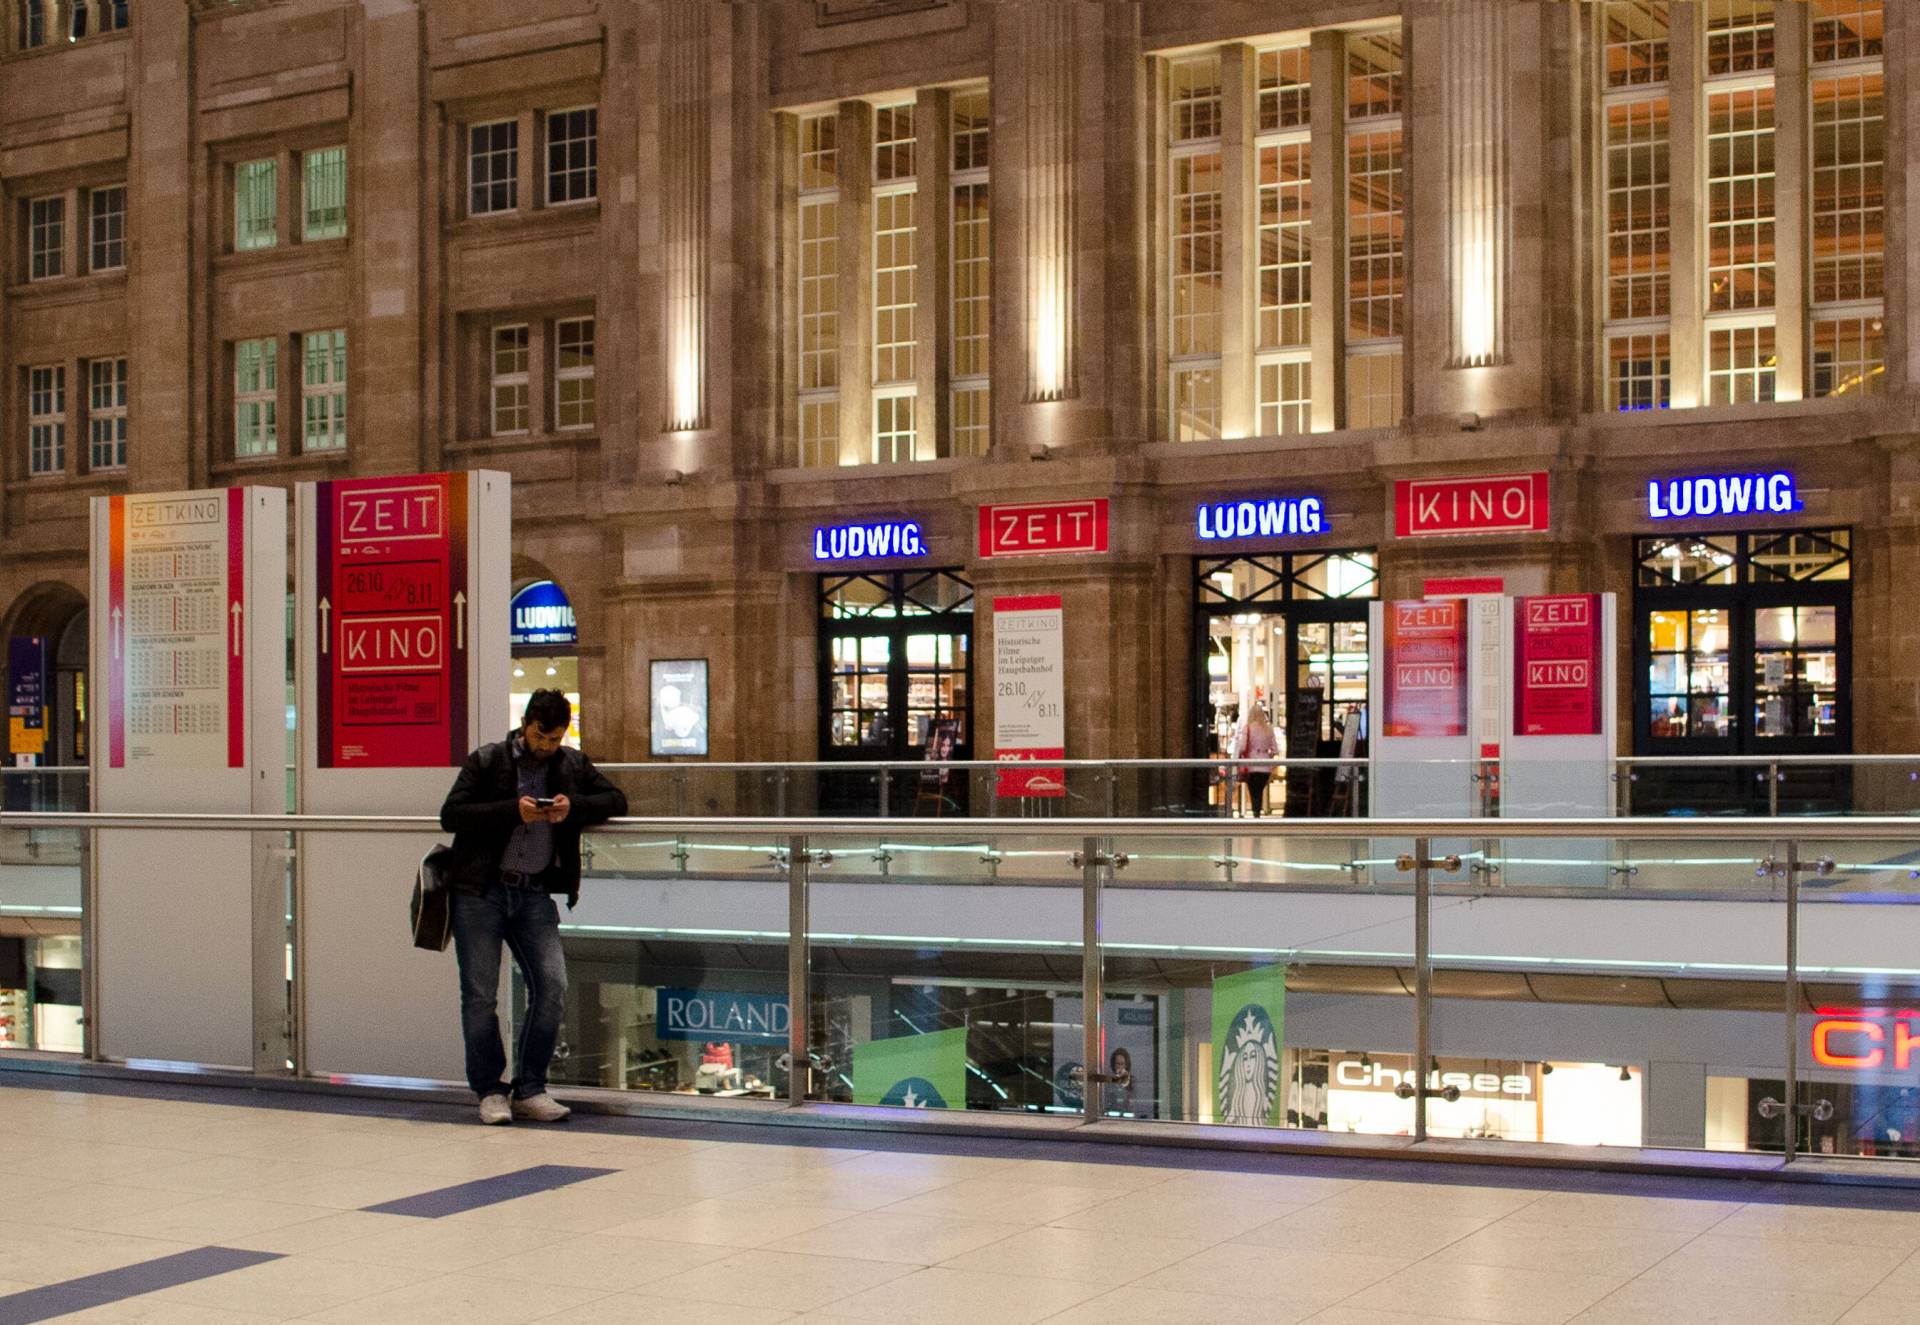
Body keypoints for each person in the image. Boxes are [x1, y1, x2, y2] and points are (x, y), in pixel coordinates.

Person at [440, 689, 628, 1125]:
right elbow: (452, 815)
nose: (547, 746)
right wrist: (512, 812)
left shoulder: (572, 764)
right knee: (480, 996)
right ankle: (490, 1091)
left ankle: (530, 1087)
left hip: (534, 892)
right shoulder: (487, 760)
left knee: (553, 986)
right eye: (542, 736)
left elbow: (617, 799)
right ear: (525, 725)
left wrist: (572, 806)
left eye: (556, 738)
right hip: (479, 891)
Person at [1231, 702, 1279, 816]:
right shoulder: (1268, 729)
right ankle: (1257, 811)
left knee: (1253, 791)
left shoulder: (1247, 728)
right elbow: (1275, 750)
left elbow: (1242, 747)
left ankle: (1256, 812)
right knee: (1260, 790)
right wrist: (1268, 754)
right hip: (1265, 766)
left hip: (1251, 765)